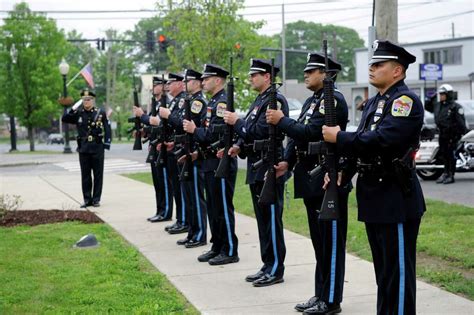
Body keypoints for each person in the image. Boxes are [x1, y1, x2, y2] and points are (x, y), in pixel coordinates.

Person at [323, 40, 426, 314]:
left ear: (397, 71)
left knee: (399, 273)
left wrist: (339, 137)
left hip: (396, 197)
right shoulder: (374, 103)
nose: (372, 68)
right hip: (373, 196)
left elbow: (383, 140)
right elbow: (362, 147)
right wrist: (343, 172)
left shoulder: (405, 101)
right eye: (371, 64)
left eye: (379, 64)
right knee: (384, 272)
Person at [266, 53, 350, 314]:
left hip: (327, 177)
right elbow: (297, 139)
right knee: (319, 242)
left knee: (330, 243)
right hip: (310, 176)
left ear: (326, 74)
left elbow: (310, 132)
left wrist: (281, 120)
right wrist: (287, 163)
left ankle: (331, 299)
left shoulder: (332, 100)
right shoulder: (312, 101)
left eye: (311, 70)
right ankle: (320, 293)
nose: (305, 74)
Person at [224, 59, 289, 287]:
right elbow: (252, 131)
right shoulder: (259, 100)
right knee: (262, 221)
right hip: (256, 164)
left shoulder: (275, 100)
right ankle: (267, 264)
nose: (251, 78)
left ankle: (275, 268)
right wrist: (239, 145)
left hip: (269, 165)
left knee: (271, 219)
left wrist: (237, 122)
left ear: (267, 77)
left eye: (255, 75)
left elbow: (262, 129)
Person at [183, 64, 240, 265]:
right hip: (209, 161)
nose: (203, 81)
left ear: (217, 80)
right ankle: (217, 246)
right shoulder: (213, 103)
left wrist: (193, 130)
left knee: (223, 208)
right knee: (214, 209)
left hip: (220, 163)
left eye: (207, 79)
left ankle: (230, 249)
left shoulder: (222, 103)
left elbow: (212, 135)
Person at [174, 68, 208, 248]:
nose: (185, 84)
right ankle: (192, 231)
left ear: (196, 82)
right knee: (188, 196)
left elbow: (193, 127)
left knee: (196, 196)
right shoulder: (189, 101)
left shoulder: (199, 103)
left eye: (188, 81)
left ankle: (200, 233)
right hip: (185, 152)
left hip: (194, 154)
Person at [133, 76, 174, 223]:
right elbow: (153, 125)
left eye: (156, 85)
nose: (153, 88)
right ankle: (160, 210)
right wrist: (144, 131)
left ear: (163, 87)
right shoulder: (155, 104)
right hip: (154, 146)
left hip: (162, 147)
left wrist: (142, 115)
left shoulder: (166, 103)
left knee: (164, 182)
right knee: (157, 182)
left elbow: (158, 122)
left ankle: (166, 212)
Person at [62, 88, 111, 208]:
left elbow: (107, 128)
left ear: (93, 100)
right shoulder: (78, 113)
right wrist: (73, 107)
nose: (86, 102)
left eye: (88, 99)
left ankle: (96, 199)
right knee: (85, 175)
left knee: (98, 175)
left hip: (97, 147)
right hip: (83, 148)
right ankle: (87, 199)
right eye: (84, 100)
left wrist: (107, 143)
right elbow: (65, 118)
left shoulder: (100, 112)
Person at [159, 73, 189, 235]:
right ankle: (181, 219)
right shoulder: (175, 102)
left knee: (181, 188)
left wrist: (167, 116)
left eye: (171, 83)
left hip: (181, 149)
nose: (168, 85)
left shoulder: (183, 100)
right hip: (174, 147)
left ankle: (184, 219)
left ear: (179, 84)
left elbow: (179, 123)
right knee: (177, 187)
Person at [432, 84, 468, 184]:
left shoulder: (455, 107)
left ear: (448, 94)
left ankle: (451, 175)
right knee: (444, 155)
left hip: (452, 135)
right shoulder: (440, 105)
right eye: (440, 94)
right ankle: (445, 173)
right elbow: (429, 106)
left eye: (443, 94)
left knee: (450, 156)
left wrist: (460, 134)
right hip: (442, 134)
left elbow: (461, 122)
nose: (441, 95)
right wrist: (433, 96)